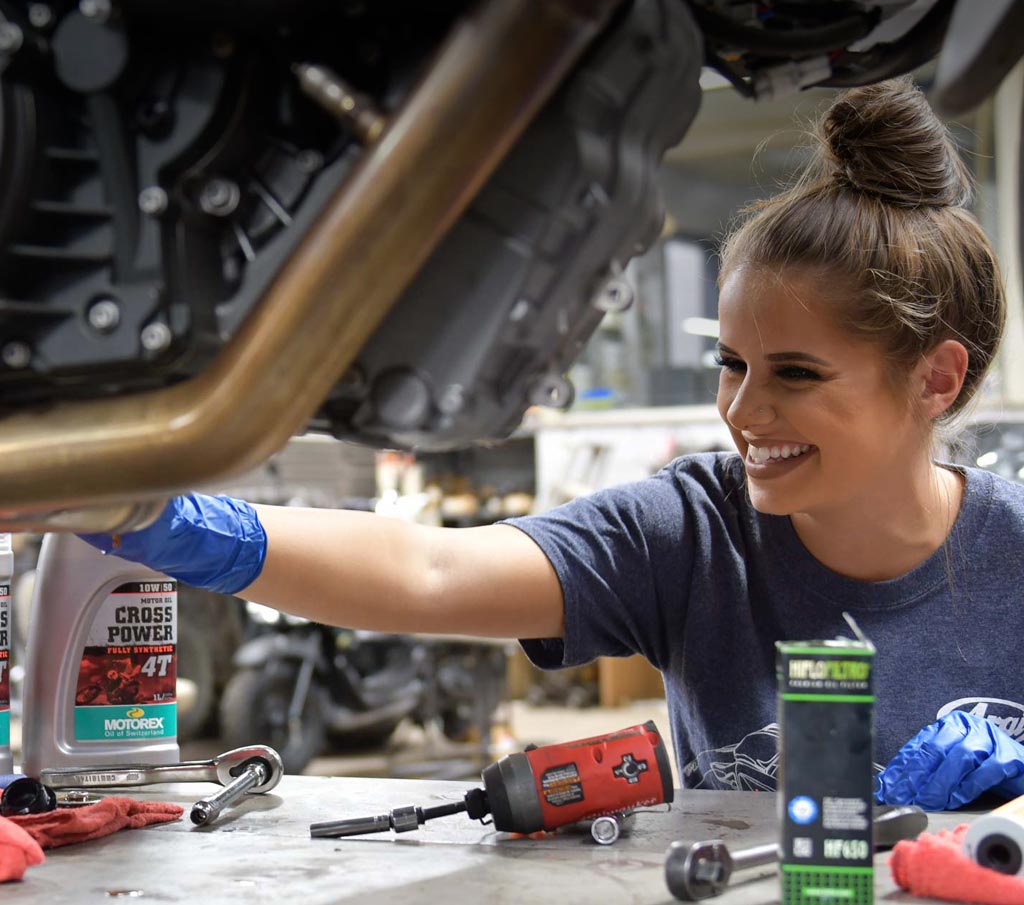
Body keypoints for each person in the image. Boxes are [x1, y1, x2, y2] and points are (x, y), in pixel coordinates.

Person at [81, 77, 1024, 810]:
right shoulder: (694, 532)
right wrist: (174, 522)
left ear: (935, 379)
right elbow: (431, 571)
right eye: (731, 363)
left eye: (797, 373)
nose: (743, 410)